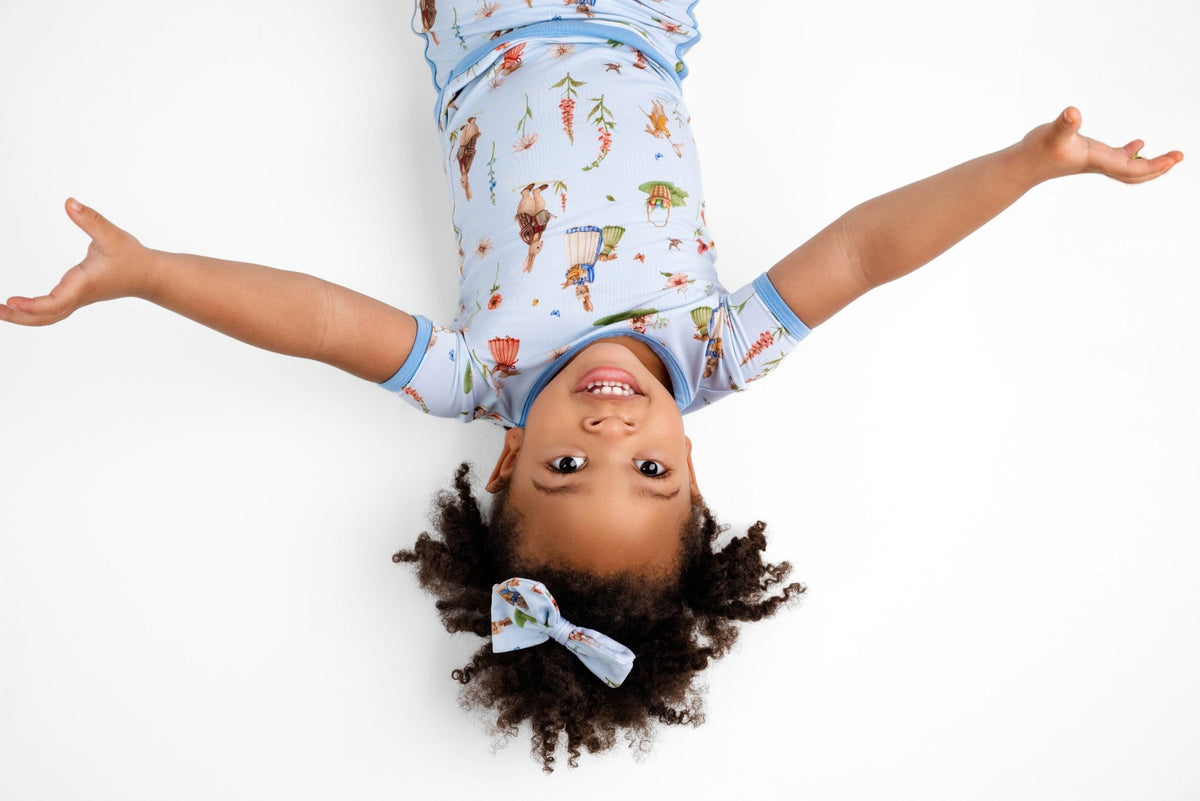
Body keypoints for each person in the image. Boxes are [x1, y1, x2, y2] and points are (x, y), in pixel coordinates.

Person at [0, 0, 1181, 771]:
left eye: (569, 467)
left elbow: (310, 319)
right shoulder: (722, 352)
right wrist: (1028, 168)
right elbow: (873, 250)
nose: (613, 427)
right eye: (651, 470)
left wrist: (153, 274)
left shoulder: (477, 378)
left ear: (507, 460)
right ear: (692, 464)